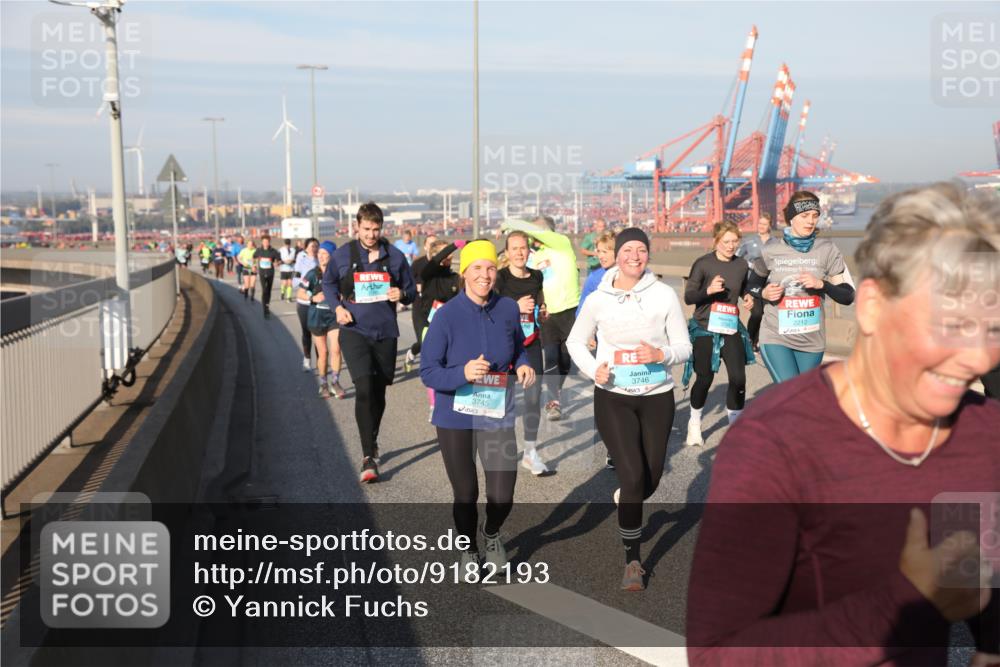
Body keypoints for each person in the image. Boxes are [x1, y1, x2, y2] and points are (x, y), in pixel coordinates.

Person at [686, 182, 1000, 665]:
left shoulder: (983, 434)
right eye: (950, 324)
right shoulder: (774, 442)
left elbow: (978, 566)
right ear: (875, 307)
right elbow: (717, 654)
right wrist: (901, 600)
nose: (977, 358)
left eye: (994, 328)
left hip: (810, 333)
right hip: (778, 334)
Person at [567, 228, 692, 591]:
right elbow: (575, 341)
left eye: (641, 249)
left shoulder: (664, 295)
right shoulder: (598, 299)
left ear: (648, 255)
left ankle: (629, 497)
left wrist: (662, 354)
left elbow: (683, 346)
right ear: (617, 255)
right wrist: (595, 369)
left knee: (649, 479)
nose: (635, 256)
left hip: (657, 396)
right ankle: (633, 561)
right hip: (613, 396)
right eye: (628, 250)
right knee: (634, 476)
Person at [420, 240, 536, 576]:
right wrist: (463, 373)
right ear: (464, 273)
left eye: (489, 268)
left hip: (495, 410)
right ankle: (469, 549)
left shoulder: (508, 309)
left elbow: (518, 349)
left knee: (502, 494)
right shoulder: (445, 316)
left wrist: (524, 364)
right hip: (455, 416)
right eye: (476, 268)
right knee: (466, 492)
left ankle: (492, 534)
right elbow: (428, 371)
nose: (484, 275)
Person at [322, 202, 416, 483]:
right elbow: (328, 284)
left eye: (376, 229)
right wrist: (337, 307)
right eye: (366, 229)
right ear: (356, 227)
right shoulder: (343, 255)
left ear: (381, 228)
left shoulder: (396, 257)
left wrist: (401, 293)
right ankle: (367, 456)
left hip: (385, 331)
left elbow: (411, 291)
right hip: (354, 329)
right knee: (363, 386)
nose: (371, 234)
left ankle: (372, 438)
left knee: (379, 389)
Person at [748, 191, 855, 383]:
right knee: (790, 391)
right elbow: (752, 285)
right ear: (791, 218)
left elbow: (847, 296)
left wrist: (822, 285)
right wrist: (763, 292)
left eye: (815, 216)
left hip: (812, 341)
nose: (810, 221)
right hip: (775, 337)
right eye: (804, 216)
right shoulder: (770, 251)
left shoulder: (827, 250)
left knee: (802, 398)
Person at [682, 221, 756, 446]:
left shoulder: (742, 264)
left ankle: (735, 427)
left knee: (738, 378)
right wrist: (709, 291)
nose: (731, 246)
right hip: (704, 328)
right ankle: (694, 424)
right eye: (726, 242)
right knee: (705, 378)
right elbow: (689, 297)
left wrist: (747, 296)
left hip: (729, 325)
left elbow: (743, 285)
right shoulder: (703, 264)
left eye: (735, 241)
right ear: (716, 241)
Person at [500, 216, 581, 421]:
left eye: (534, 231)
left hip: (569, 312)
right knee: (551, 357)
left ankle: (556, 391)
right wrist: (539, 304)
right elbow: (525, 280)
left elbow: (538, 233)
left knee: (566, 360)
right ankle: (553, 400)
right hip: (547, 316)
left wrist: (513, 223)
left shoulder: (562, 244)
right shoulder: (533, 256)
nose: (532, 235)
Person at [495, 230, 551, 476]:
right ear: (507, 253)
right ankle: (500, 448)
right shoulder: (499, 278)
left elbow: (540, 299)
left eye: (523, 248)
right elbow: (491, 309)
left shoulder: (537, 275)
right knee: (504, 400)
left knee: (533, 396)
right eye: (514, 248)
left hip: (531, 342)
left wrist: (543, 308)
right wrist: (514, 307)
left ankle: (530, 452)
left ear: (529, 251)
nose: (519, 252)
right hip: (505, 343)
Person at [416, 239, 464, 421]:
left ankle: (451, 402)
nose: (449, 257)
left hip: (451, 327)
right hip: (429, 325)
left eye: (451, 254)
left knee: (450, 365)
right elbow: (436, 261)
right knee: (433, 365)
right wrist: (455, 245)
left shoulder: (454, 278)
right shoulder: (428, 273)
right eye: (445, 253)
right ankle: (433, 405)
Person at [299, 241, 346, 399]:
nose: (321, 256)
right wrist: (313, 297)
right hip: (316, 317)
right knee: (323, 353)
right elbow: (300, 293)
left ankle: (336, 382)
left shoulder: (340, 274)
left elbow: (347, 292)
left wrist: (343, 297)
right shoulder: (312, 274)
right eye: (319, 253)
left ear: (332, 256)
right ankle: (323, 384)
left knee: (336, 350)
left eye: (325, 254)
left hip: (334, 317)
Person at [736, 212, 776, 351]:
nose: (761, 226)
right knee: (757, 313)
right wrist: (747, 266)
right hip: (751, 283)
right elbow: (736, 258)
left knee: (765, 314)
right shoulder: (749, 241)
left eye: (764, 224)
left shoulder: (776, 242)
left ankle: (756, 342)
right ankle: (749, 339)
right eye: (759, 223)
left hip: (768, 284)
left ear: (770, 226)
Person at [404, 234, 438, 373]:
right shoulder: (418, 264)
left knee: (436, 341)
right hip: (420, 308)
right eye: (430, 244)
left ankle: (435, 368)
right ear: (425, 247)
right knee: (424, 341)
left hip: (437, 308)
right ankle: (412, 354)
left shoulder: (441, 264)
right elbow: (407, 283)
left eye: (435, 244)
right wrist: (416, 285)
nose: (433, 247)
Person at [294, 238, 320, 372]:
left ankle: (321, 361)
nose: (314, 249)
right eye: (311, 246)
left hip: (319, 302)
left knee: (319, 333)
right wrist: (305, 289)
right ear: (305, 248)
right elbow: (296, 278)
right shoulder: (301, 259)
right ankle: (307, 358)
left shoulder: (322, 259)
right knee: (306, 332)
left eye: (316, 246)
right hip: (304, 301)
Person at [254, 235, 281, 319]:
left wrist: (277, 263)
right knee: (264, 290)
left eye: (267, 242)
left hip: (270, 273)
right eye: (264, 241)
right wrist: (254, 265)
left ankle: (267, 305)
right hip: (262, 273)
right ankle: (265, 309)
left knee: (268, 291)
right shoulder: (259, 250)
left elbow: (279, 260)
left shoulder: (273, 251)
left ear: (269, 242)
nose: (266, 243)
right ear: (262, 242)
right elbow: (254, 258)